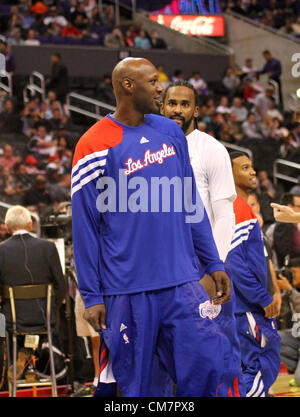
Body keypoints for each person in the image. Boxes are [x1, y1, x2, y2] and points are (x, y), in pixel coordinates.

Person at [71, 57, 231, 397]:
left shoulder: (170, 132)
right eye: (153, 81)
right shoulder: (92, 144)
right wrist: (92, 294)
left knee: (209, 363)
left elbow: (192, 205)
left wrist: (213, 262)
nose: (161, 88)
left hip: (181, 283)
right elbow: (84, 228)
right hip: (127, 291)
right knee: (141, 389)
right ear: (128, 86)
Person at [160, 80, 245, 396]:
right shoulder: (148, 148)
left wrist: (214, 267)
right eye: (172, 103)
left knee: (213, 361)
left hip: (201, 268)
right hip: (162, 270)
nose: (178, 110)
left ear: (196, 110)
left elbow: (225, 215)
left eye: (185, 104)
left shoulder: (211, 149)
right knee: (167, 363)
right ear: (162, 106)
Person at [227, 151, 281, 397]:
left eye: (252, 167)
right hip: (247, 307)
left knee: (247, 368)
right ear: (229, 173)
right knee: (262, 363)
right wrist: (263, 297)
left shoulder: (241, 208)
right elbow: (234, 264)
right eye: (244, 167)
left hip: (244, 307)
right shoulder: (237, 208)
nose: (252, 172)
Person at [0, 205, 66, 333]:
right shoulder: (49, 248)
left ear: (7, 228)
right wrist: (52, 307)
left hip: (11, 320)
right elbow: (61, 287)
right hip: (45, 318)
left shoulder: (1, 250)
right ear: (30, 225)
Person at [277, 257, 300, 387]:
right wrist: (279, 292)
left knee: (299, 381)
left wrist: (291, 291)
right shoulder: (292, 290)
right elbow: (281, 312)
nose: (292, 275)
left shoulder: (293, 291)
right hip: (297, 335)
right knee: (274, 339)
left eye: (294, 272)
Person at [273, 193, 300, 268]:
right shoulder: (283, 225)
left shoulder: (295, 224)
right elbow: (286, 250)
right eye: (299, 206)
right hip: (291, 267)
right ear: (290, 207)